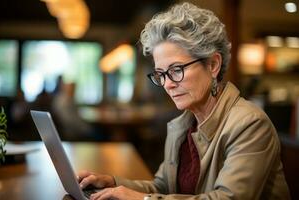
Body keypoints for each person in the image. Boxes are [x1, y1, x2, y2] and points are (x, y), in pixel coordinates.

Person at [77, 2, 291, 199]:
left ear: (213, 65)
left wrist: (143, 199)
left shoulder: (250, 124)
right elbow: (163, 188)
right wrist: (113, 183)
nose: (168, 84)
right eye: (161, 74)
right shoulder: (183, 124)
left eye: (176, 70)